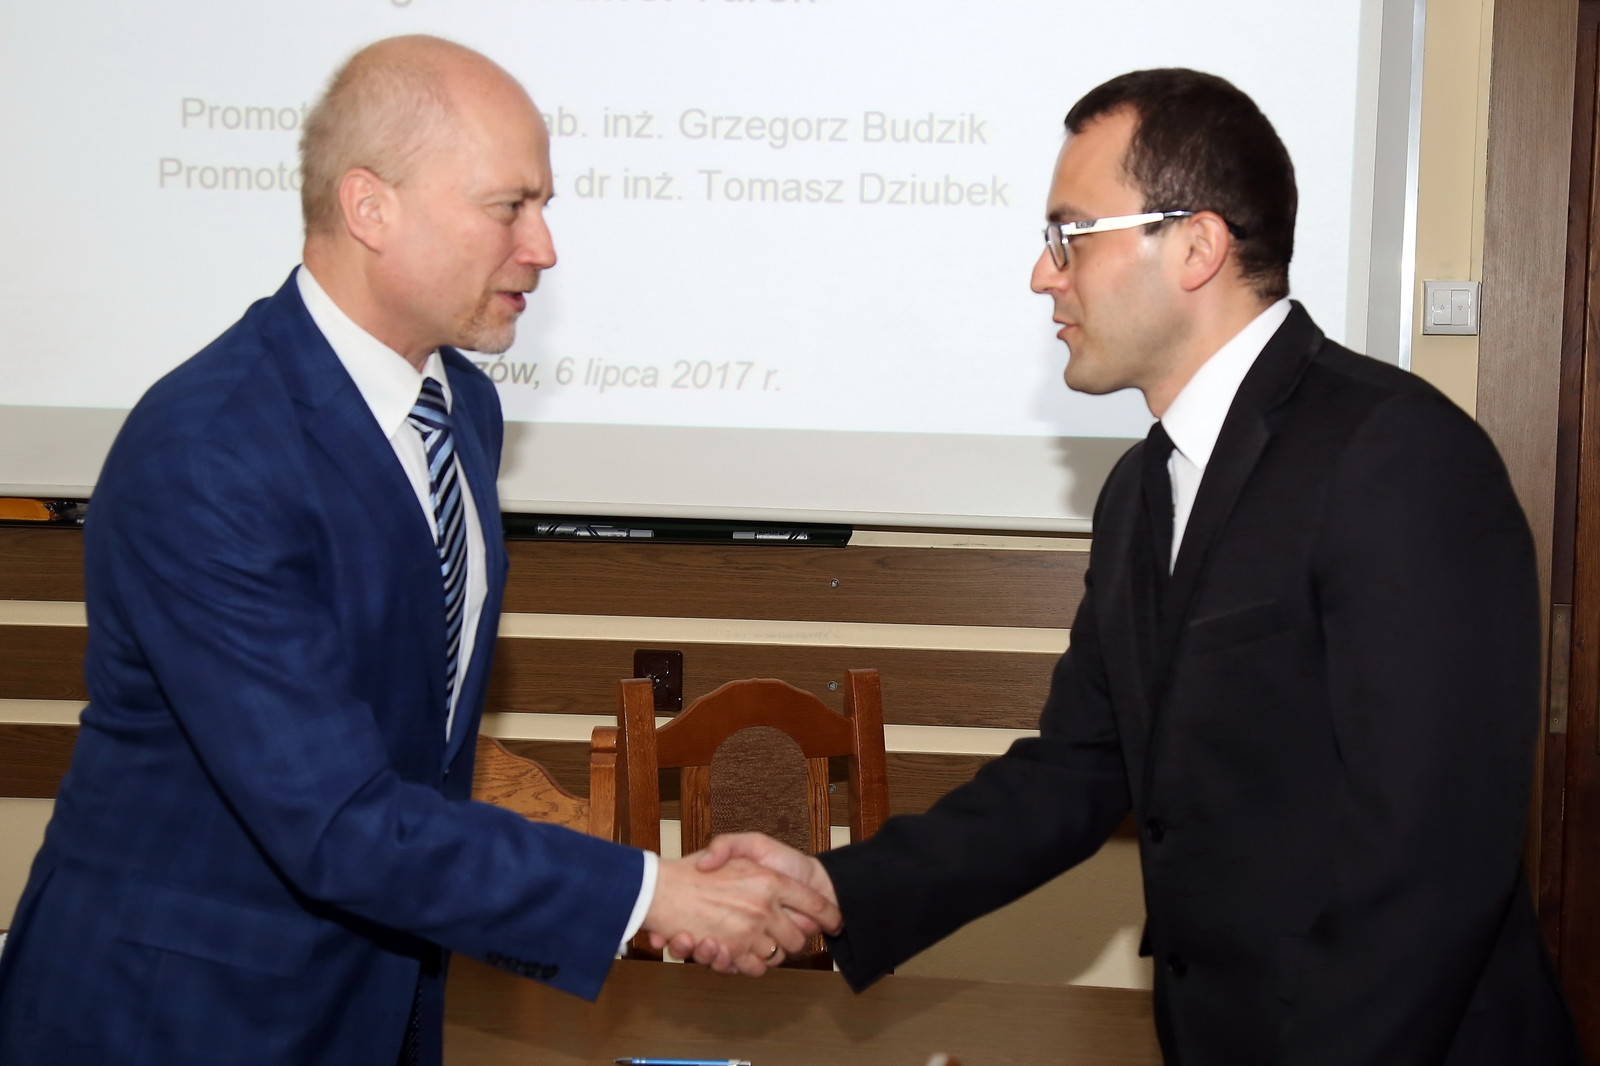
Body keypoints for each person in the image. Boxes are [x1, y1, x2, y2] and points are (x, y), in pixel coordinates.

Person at [690, 69, 1581, 1065]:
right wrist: (836, 890)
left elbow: (1431, 860)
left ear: (1197, 246)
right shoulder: (1139, 490)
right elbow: (1077, 770)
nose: (1043, 275)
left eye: (1070, 235)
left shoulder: (1397, 453)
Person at [0, 35, 835, 1066]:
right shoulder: (210, 450)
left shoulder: (461, 407)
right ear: (370, 207)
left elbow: (414, 759)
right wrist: (650, 895)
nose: (544, 246)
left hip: (376, 998)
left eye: (544, 205)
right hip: (179, 1018)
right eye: (508, 206)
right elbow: (336, 820)